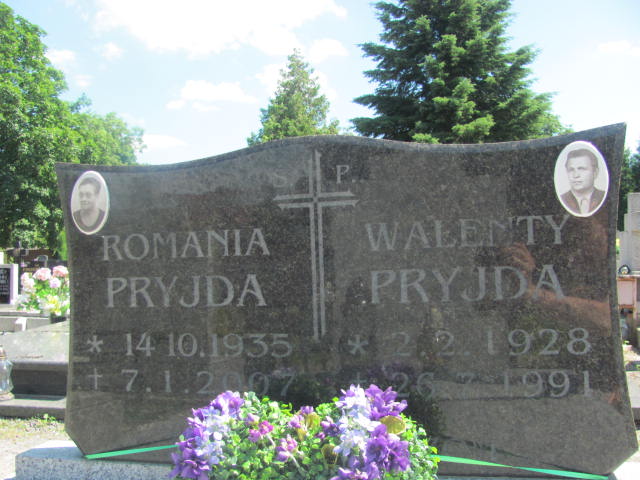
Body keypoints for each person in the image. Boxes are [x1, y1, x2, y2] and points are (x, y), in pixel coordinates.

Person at [560, 148, 605, 215]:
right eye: (571, 170)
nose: (576, 175)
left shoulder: (603, 197)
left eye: (581, 169)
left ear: (595, 172)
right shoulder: (563, 199)